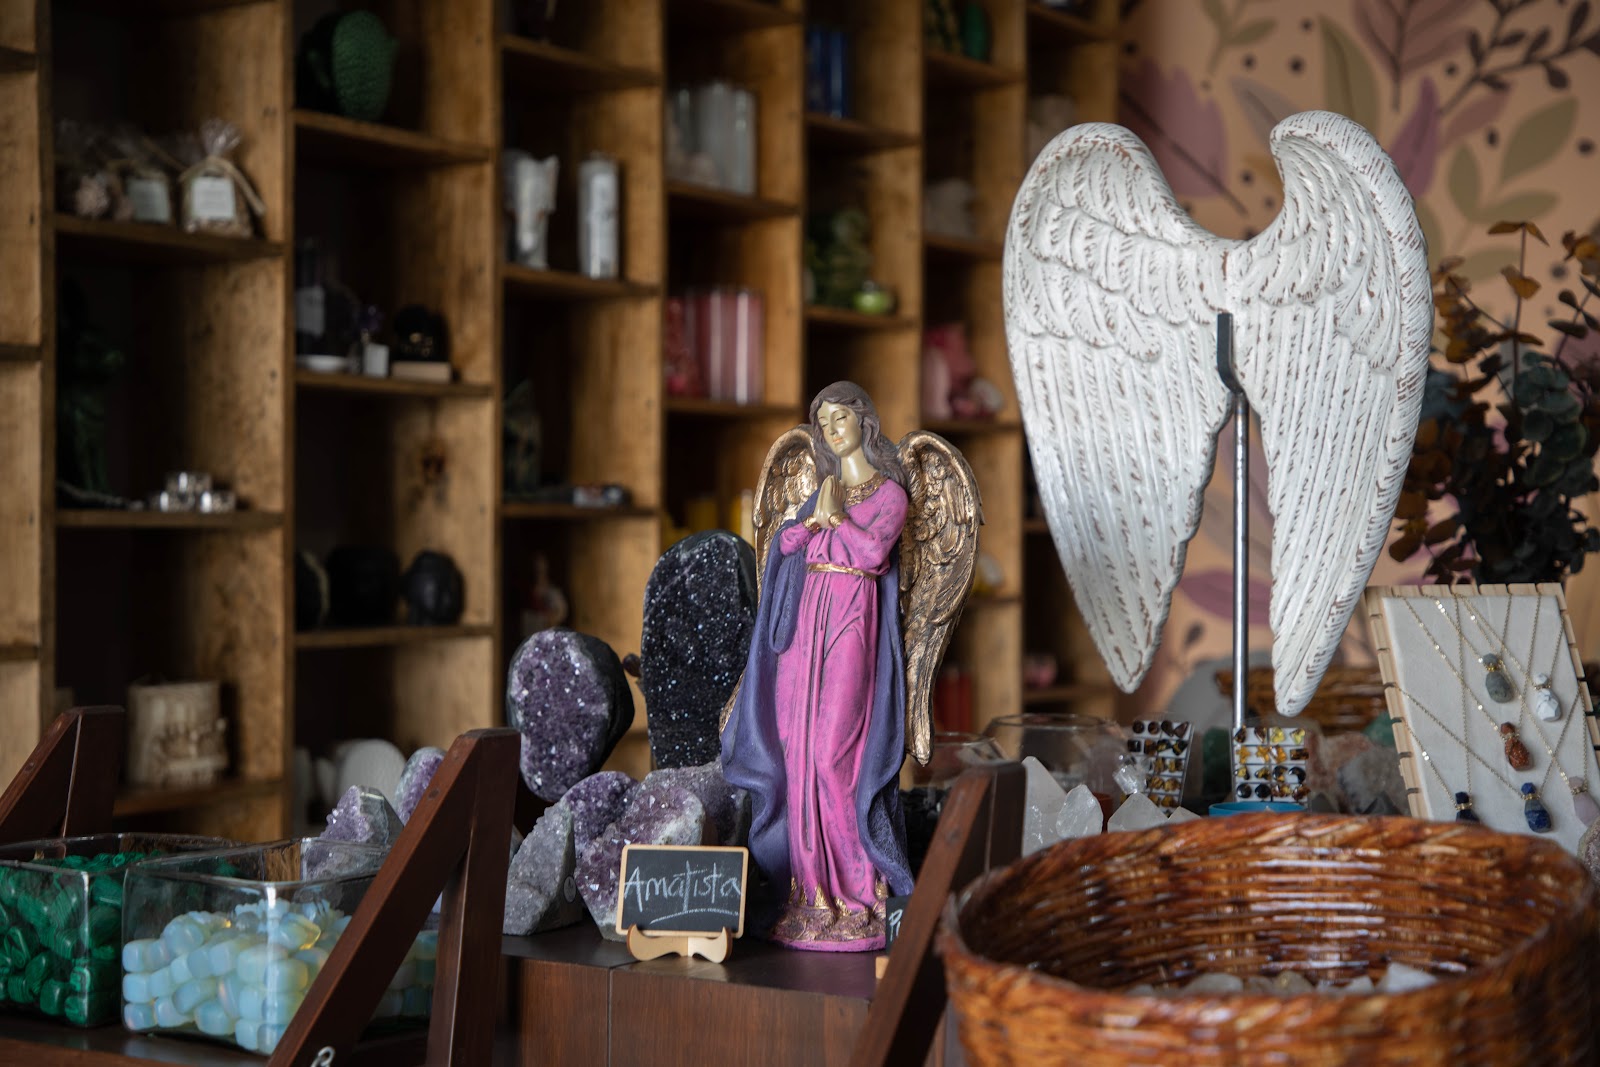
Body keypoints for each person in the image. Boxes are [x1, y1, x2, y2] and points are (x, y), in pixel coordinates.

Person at [722, 382, 914, 951]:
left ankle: (860, 892)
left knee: (834, 757)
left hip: (852, 625)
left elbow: (873, 553)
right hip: (806, 631)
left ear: (864, 421)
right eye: (824, 423)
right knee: (800, 755)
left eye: (840, 419)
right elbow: (783, 546)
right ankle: (811, 895)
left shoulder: (889, 495)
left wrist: (836, 524)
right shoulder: (824, 492)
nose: (832, 431)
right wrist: (815, 521)